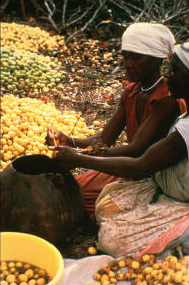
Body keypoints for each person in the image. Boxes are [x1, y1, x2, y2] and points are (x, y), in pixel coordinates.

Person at [49, 42, 189, 258]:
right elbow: (104, 139)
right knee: (102, 206)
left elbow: (139, 159)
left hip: (158, 184)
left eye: (176, 70)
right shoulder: (133, 92)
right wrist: (70, 142)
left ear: (154, 61)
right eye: (125, 57)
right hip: (158, 182)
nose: (127, 65)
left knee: (111, 239)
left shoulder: (169, 105)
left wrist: (80, 158)